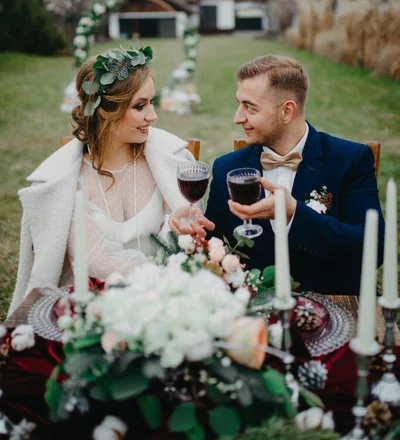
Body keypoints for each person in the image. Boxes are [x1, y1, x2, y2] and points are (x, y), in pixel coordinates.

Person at [9, 45, 197, 314]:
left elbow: (183, 238)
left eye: (152, 102)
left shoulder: (172, 160)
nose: (153, 116)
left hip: (169, 300)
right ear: (106, 111)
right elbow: (97, 262)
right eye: (140, 106)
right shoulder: (64, 180)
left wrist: (180, 230)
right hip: (92, 310)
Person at [202, 55, 384, 295]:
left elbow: (375, 248)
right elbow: (211, 249)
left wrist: (295, 214)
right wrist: (192, 234)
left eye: (250, 107)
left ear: (287, 111)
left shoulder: (350, 160)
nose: (238, 117)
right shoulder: (227, 168)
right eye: (239, 104)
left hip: (334, 306)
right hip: (255, 311)